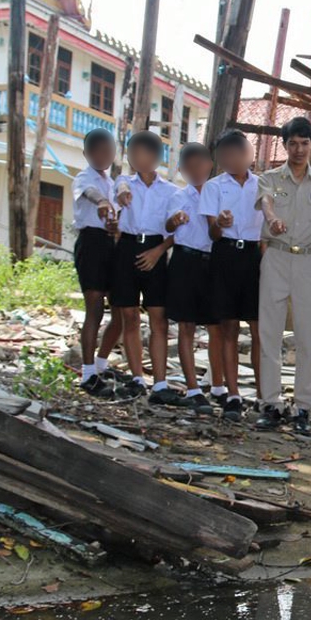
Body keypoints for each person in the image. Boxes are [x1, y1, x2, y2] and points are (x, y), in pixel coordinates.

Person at [254, 117, 311, 435]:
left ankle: (303, 407)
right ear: (284, 145)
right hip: (275, 257)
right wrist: (273, 219)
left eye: (305, 143)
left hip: (309, 263)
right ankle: (271, 404)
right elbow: (266, 204)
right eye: (293, 143)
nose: (299, 149)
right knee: (270, 335)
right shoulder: (270, 178)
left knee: (307, 337)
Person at [111, 131, 178, 403]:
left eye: (142, 153)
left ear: (156, 157)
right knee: (129, 316)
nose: (137, 159)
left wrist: (159, 251)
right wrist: (123, 195)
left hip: (156, 250)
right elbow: (120, 192)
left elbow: (177, 230)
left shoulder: (171, 191)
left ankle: (160, 383)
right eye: (132, 153)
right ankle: (137, 377)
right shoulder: (124, 182)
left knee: (158, 318)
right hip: (127, 249)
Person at [204, 129, 264, 421]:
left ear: (247, 154)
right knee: (228, 327)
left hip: (255, 257)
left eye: (235, 153)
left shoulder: (264, 186)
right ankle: (233, 394)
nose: (230, 159)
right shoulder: (214, 187)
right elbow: (212, 232)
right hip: (225, 254)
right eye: (223, 155)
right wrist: (221, 223)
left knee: (258, 329)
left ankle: (265, 397)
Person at [163, 143, 220, 415]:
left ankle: (218, 386)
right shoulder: (178, 196)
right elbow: (168, 226)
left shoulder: (220, 193)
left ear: (210, 165)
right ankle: (194, 388)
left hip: (213, 262)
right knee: (186, 326)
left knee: (215, 326)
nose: (197, 170)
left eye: (201, 164)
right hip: (185, 261)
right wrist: (175, 220)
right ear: (182, 170)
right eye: (190, 166)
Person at [71, 128, 125, 398]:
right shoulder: (85, 178)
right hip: (91, 243)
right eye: (99, 151)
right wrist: (103, 202)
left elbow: (114, 211)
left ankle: (102, 365)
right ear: (87, 154)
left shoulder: (113, 182)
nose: (105, 156)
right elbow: (90, 194)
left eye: (109, 151)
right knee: (94, 308)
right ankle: (88, 373)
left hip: (111, 243)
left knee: (122, 310)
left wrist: (115, 220)